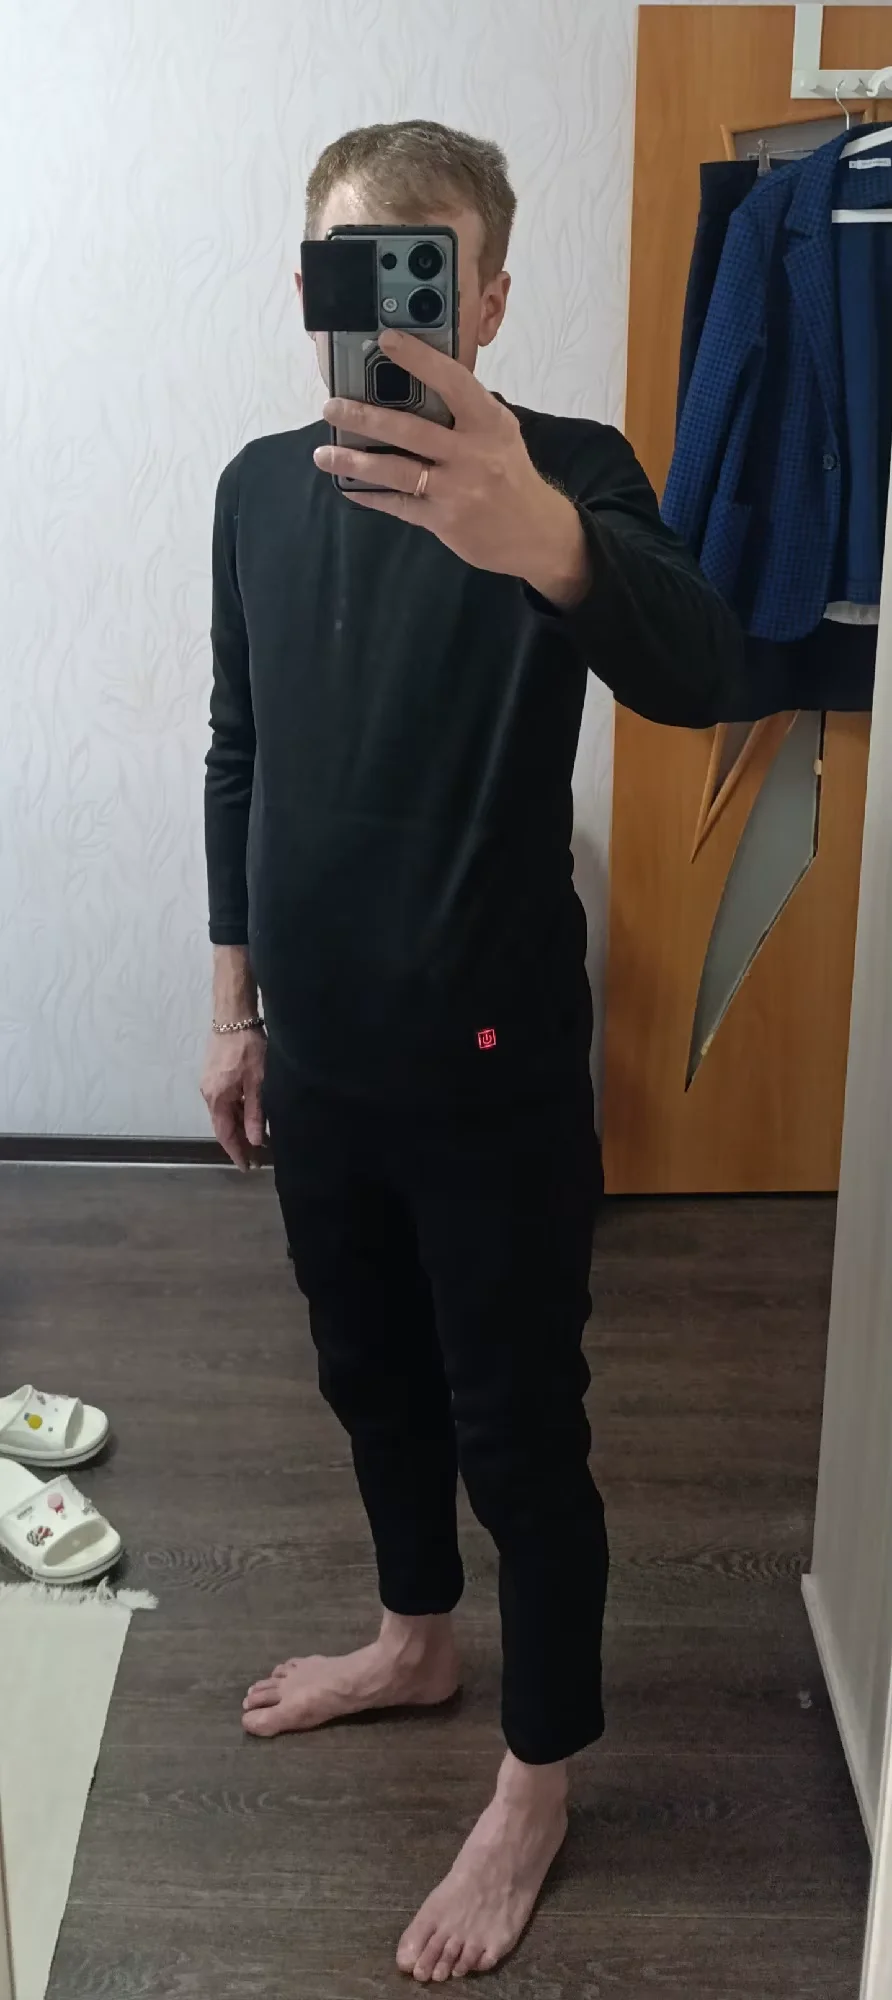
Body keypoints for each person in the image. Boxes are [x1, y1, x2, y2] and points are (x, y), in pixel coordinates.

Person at [201, 120, 741, 1984]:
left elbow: (702, 671)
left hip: (495, 1060)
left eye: (427, 270)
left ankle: (537, 1778)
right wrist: (232, 1011)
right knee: (369, 1378)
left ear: (490, 297)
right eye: (354, 268)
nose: (389, 306)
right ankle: (415, 1639)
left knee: (519, 1427)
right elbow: (239, 750)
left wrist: (557, 547)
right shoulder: (255, 488)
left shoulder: (564, 474)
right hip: (320, 1053)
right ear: (308, 288)